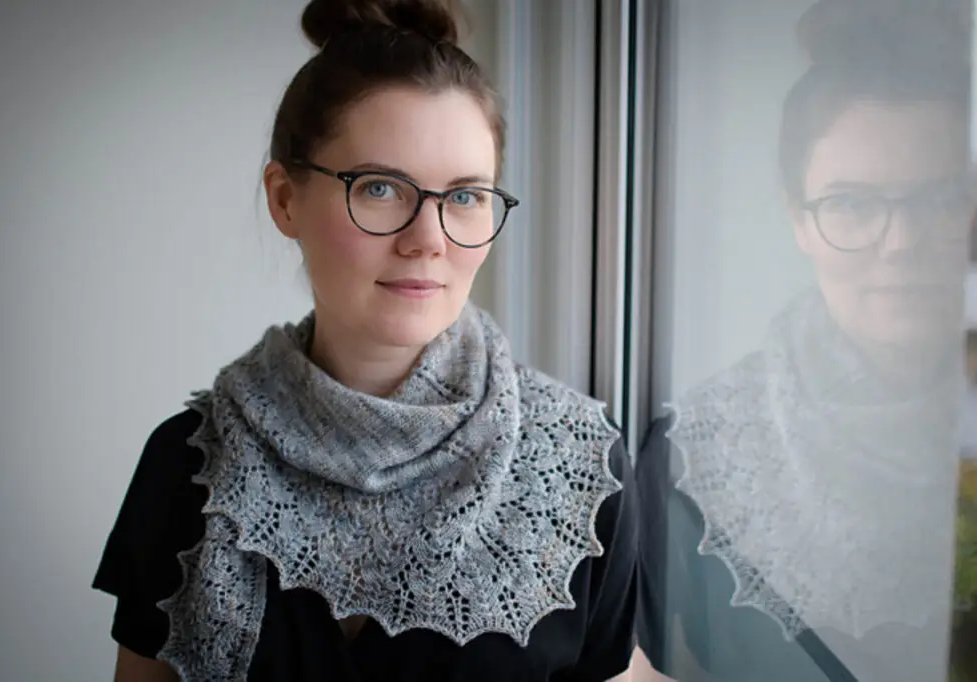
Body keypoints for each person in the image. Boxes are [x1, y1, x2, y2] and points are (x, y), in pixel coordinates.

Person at [92, 1, 642, 680]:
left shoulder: (580, 469)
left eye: (466, 197)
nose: (429, 240)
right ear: (286, 199)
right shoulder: (188, 466)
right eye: (380, 187)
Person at [635, 1, 975, 680]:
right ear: (799, 219)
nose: (901, 243)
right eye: (852, 203)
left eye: (937, 200)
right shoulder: (694, 462)